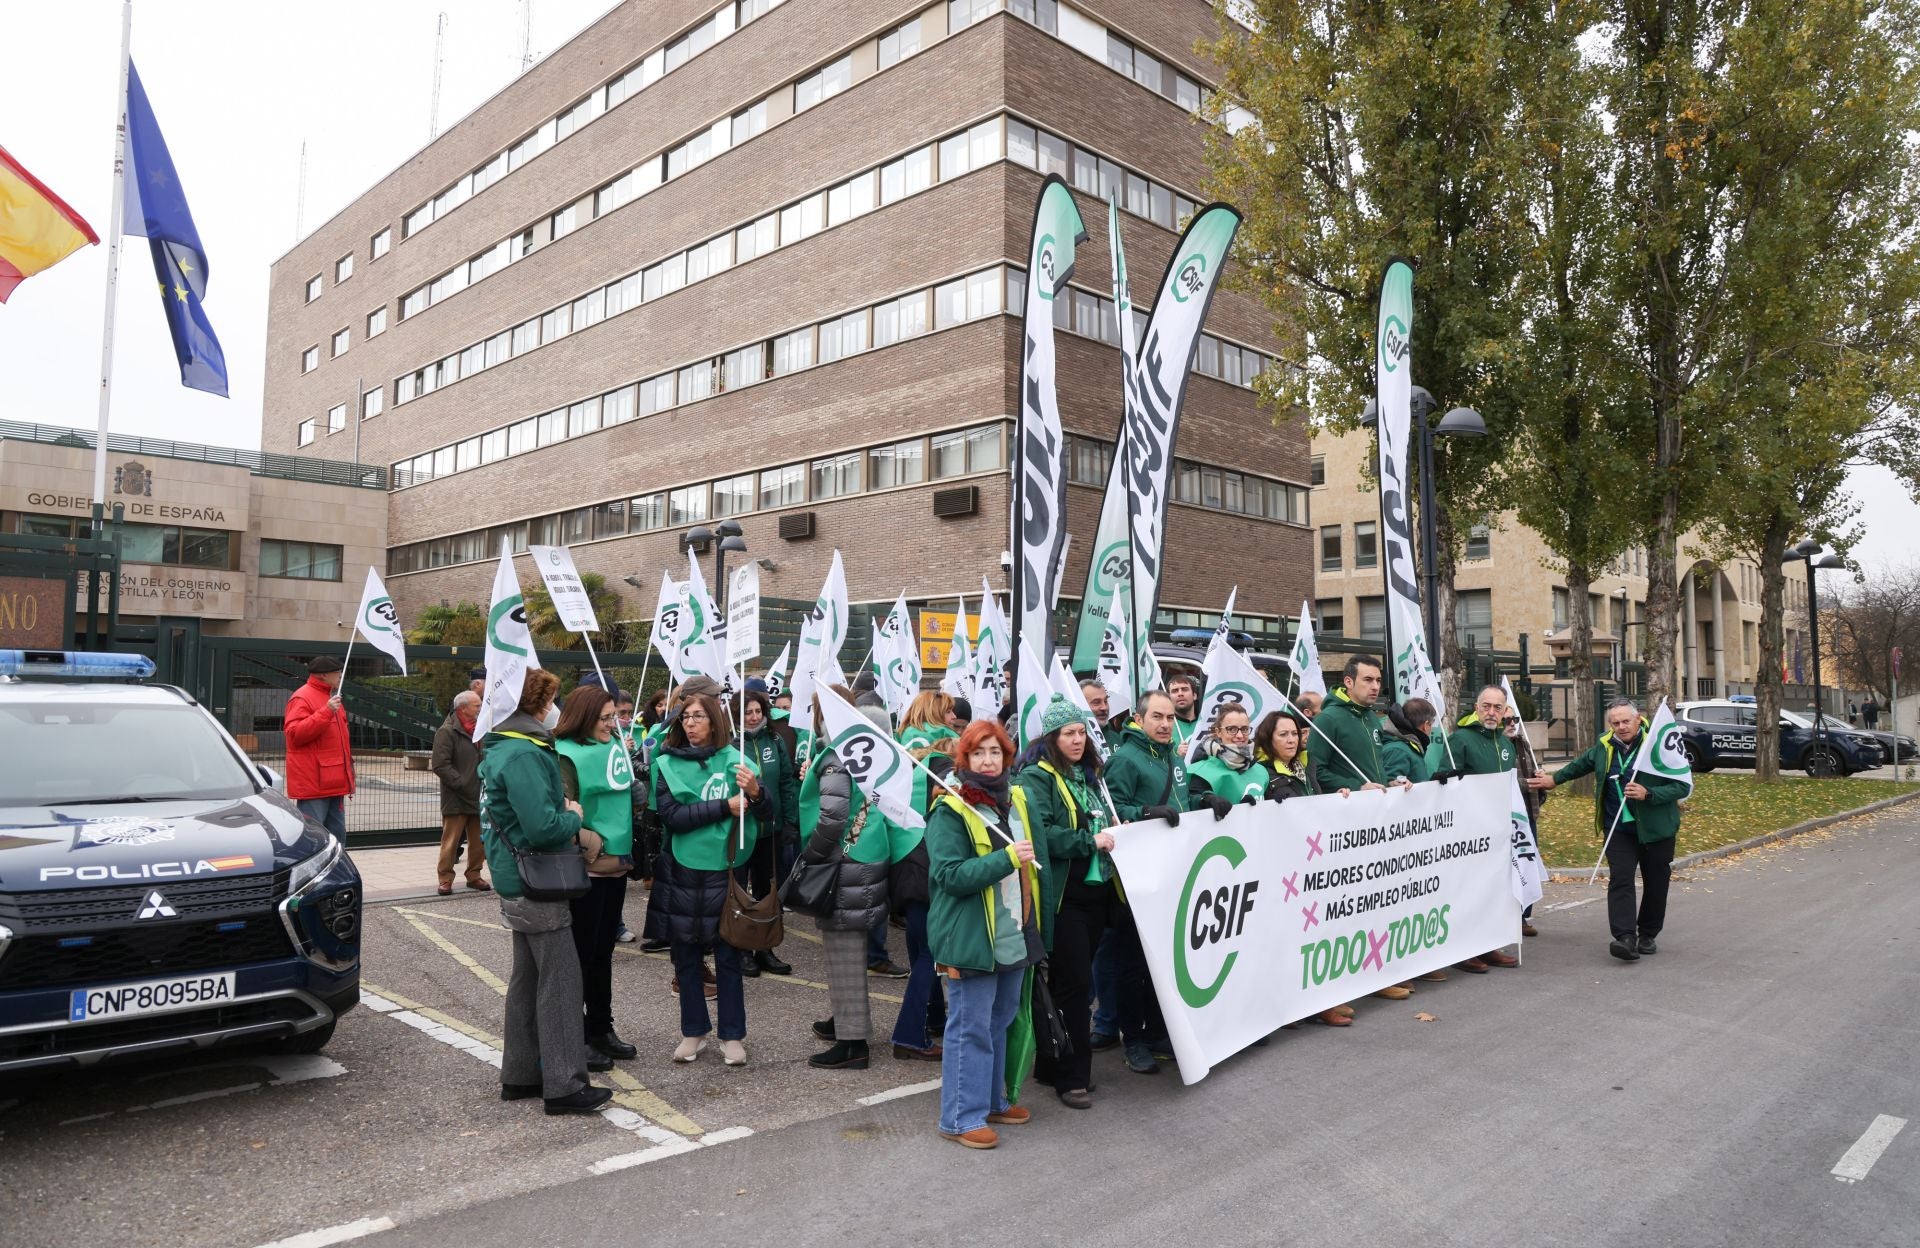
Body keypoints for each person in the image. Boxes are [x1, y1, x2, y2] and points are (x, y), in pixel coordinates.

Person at [479, 669, 610, 1115]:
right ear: (538, 703)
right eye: (553, 697)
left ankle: (520, 1074)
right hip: (537, 883)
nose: (557, 706)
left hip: (516, 878)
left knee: (528, 981)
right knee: (560, 984)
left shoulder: (505, 747)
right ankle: (564, 1085)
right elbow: (542, 828)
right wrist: (573, 815)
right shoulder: (524, 753)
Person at [929, 718, 1043, 1149]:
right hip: (972, 938)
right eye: (979, 753)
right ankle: (960, 1117)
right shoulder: (950, 809)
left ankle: (993, 1099)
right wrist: (1006, 859)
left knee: (1000, 1020)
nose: (989, 760)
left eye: (996, 752)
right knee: (970, 1027)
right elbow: (949, 875)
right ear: (965, 758)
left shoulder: (1013, 800)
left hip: (1012, 932)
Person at [644, 692, 774, 1065]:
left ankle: (732, 1036)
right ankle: (693, 1032)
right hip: (680, 871)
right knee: (684, 958)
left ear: (714, 720)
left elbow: (767, 813)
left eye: (698, 716)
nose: (690, 723)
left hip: (725, 870)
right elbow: (672, 816)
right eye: (685, 717)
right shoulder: (665, 763)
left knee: (729, 954)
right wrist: (724, 807)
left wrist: (755, 792)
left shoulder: (737, 761)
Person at [1529, 700, 1688, 961]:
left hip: (1656, 829)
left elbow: (1681, 785)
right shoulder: (1605, 745)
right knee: (1621, 879)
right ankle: (1625, 937)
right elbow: (1581, 764)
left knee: (1656, 883)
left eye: (1626, 721)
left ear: (1639, 720)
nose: (1621, 727)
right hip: (1618, 827)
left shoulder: (1657, 743)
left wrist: (1649, 794)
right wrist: (1553, 780)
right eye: (1615, 723)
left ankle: (1648, 933)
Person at [1019, 696, 1116, 1109]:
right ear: (1051, 738)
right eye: (1068, 734)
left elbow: (1103, 818)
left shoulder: (1088, 775)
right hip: (1063, 897)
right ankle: (1072, 1077)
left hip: (1097, 891)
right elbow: (1043, 834)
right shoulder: (1036, 778)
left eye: (1081, 732)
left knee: (1070, 983)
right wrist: (1087, 840)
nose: (1077, 740)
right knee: (1075, 985)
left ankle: (1050, 1063)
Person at [799, 695, 897, 1069]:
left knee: (843, 952)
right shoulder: (873, 757)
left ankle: (853, 1043)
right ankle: (844, 1020)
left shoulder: (837, 758)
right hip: (867, 857)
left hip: (842, 864)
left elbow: (832, 817)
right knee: (851, 950)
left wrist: (812, 854)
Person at [1101, 689, 1190, 1074]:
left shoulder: (1172, 756)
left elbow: (1184, 796)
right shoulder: (1125, 758)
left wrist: (1205, 797)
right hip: (1136, 880)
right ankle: (1132, 1038)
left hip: (1173, 873)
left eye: (1170, 717)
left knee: (1164, 961)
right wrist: (1144, 812)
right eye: (1157, 717)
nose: (1166, 724)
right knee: (1132, 964)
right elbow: (1111, 807)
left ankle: (1156, 1032)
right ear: (1139, 719)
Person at [553, 685, 638, 1069]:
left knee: (603, 952)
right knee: (582, 955)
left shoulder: (615, 748)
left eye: (614, 716)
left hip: (616, 864)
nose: (612, 723)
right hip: (588, 865)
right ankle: (579, 1034)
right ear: (585, 716)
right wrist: (592, 843)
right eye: (605, 718)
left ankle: (602, 1028)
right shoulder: (565, 756)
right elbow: (562, 809)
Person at [1448, 686, 1521, 971]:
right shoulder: (1461, 739)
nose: (1492, 712)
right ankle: (1464, 949)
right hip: (1469, 831)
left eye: (1498, 708)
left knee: (1494, 890)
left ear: (1505, 712)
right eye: (1486, 706)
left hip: (1498, 831)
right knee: (1470, 890)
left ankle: (1490, 944)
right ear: (1477, 707)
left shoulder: (1505, 744)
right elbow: (1447, 782)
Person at [738, 688, 797, 977]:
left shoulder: (774, 740)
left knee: (764, 892)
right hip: (741, 831)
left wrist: (789, 822)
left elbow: (786, 781)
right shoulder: (730, 743)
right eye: (747, 711)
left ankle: (764, 948)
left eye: (757, 711)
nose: (753, 717)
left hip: (769, 830)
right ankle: (741, 950)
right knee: (739, 893)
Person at [284, 655, 354, 839]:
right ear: (323, 675)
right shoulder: (302, 697)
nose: (341, 676)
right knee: (315, 838)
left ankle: (336, 868)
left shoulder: (331, 697)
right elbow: (294, 734)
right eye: (337, 673)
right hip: (315, 783)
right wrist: (325, 712)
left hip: (334, 780)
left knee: (337, 836)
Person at [1309, 656, 1399, 794]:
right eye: (1368, 680)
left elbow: (1375, 766)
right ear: (1349, 682)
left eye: (1378, 681)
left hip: (1379, 808)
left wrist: (1389, 782)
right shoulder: (1327, 719)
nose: (1375, 687)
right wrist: (1358, 787)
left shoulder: (1371, 717)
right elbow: (1315, 771)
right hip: (1348, 809)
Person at [430, 690, 488, 895]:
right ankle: (445, 878)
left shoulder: (481, 730)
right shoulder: (446, 732)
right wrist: (462, 783)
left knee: (479, 840)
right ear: (463, 708)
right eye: (477, 705)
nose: (481, 709)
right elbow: (439, 764)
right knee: (451, 842)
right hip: (456, 797)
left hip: (479, 796)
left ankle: (474, 875)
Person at [1380, 698, 1435, 785]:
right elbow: (1388, 788)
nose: (1431, 728)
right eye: (1432, 723)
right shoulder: (1399, 750)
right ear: (1425, 725)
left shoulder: (1407, 747)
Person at [1166, 672, 1202, 746]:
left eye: (1185, 689)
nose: (1180, 693)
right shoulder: (1164, 726)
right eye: (1175, 691)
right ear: (1169, 699)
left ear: (1194, 695)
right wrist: (1177, 755)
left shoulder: (1206, 722)